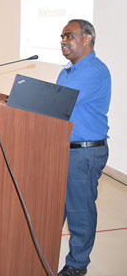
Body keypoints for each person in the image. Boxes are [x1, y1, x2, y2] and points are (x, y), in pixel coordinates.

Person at [56, 19, 111, 276]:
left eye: (70, 36)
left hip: (84, 152)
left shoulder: (93, 70)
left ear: (87, 38)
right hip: (64, 148)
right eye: (62, 37)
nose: (63, 41)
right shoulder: (68, 70)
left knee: (79, 211)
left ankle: (77, 266)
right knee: (58, 206)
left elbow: (59, 101)